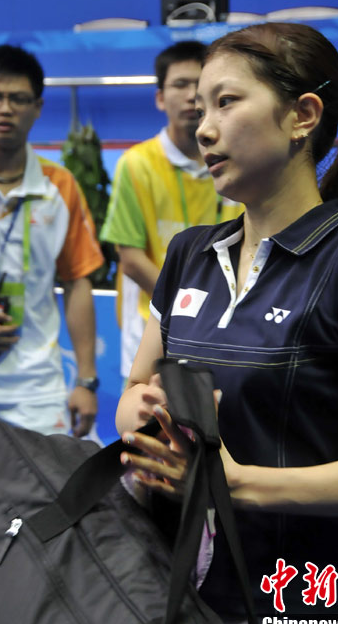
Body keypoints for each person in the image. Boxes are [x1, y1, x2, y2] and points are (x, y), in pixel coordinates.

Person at [115, 23, 338, 624]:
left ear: (302, 116)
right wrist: (143, 418)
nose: (203, 129)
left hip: (298, 619)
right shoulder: (188, 255)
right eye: (200, 108)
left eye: (226, 103)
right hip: (171, 602)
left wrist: (240, 484)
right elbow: (135, 393)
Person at [0, 44, 104, 497]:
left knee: (40, 512)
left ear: (38, 107)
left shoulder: (60, 185)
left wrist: (86, 380)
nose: (4, 108)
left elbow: (78, 282)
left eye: (18, 98)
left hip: (36, 387)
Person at [100, 41, 243, 380]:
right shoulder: (136, 164)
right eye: (180, 84)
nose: (191, 95)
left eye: (200, 85)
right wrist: (188, 310)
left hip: (223, 330)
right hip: (152, 329)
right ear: (160, 98)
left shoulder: (236, 164)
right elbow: (131, 260)